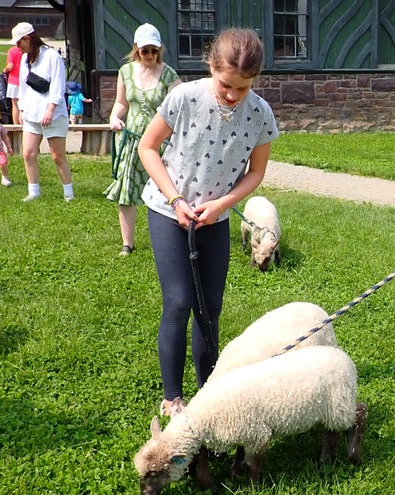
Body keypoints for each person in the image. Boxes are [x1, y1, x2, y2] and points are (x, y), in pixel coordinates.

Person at [138, 28, 279, 416]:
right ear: (210, 66)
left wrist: (222, 205)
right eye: (226, 85)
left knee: (208, 307)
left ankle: (208, 394)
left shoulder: (261, 114)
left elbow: (256, 173)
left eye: (244, 87)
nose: (233, 95)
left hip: (214, 219)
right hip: (169, 211)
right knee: (180, 300)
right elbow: (147, 148)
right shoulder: (184, 96)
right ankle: (173, 398)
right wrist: (175, 198)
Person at [105, 23, 181, 257]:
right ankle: (127, 243)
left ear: (160, 50)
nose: (149, 55)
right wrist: (114, 117)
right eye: (145, 50)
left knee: (165, 190)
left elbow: (181, 107)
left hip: (160, 142)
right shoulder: (125, 72)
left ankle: (169, 242)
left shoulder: (169, 75)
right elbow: (121, 103)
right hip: (131, 141)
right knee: (126, 190)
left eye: (154, 51)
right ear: (136, 48)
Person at [11, 22, 75, 202]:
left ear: (28, 38)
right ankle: (34, 192)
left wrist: (51, 109)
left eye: (19, 43)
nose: (18, 47)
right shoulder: (24, 60)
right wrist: (22, 109)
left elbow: (57, 85)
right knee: (28, 153)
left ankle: (68, 193)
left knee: (57, 156)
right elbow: (23, 87)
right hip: (32, 113)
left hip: (52, 114)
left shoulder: (52, 56)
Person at [2, 43, 23, 124]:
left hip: (14, 80)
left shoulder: (12, 50)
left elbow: (10, 66)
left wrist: (5, 70)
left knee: (15, 104)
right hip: (26, 81)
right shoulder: (29, 50)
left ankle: (17, 124)